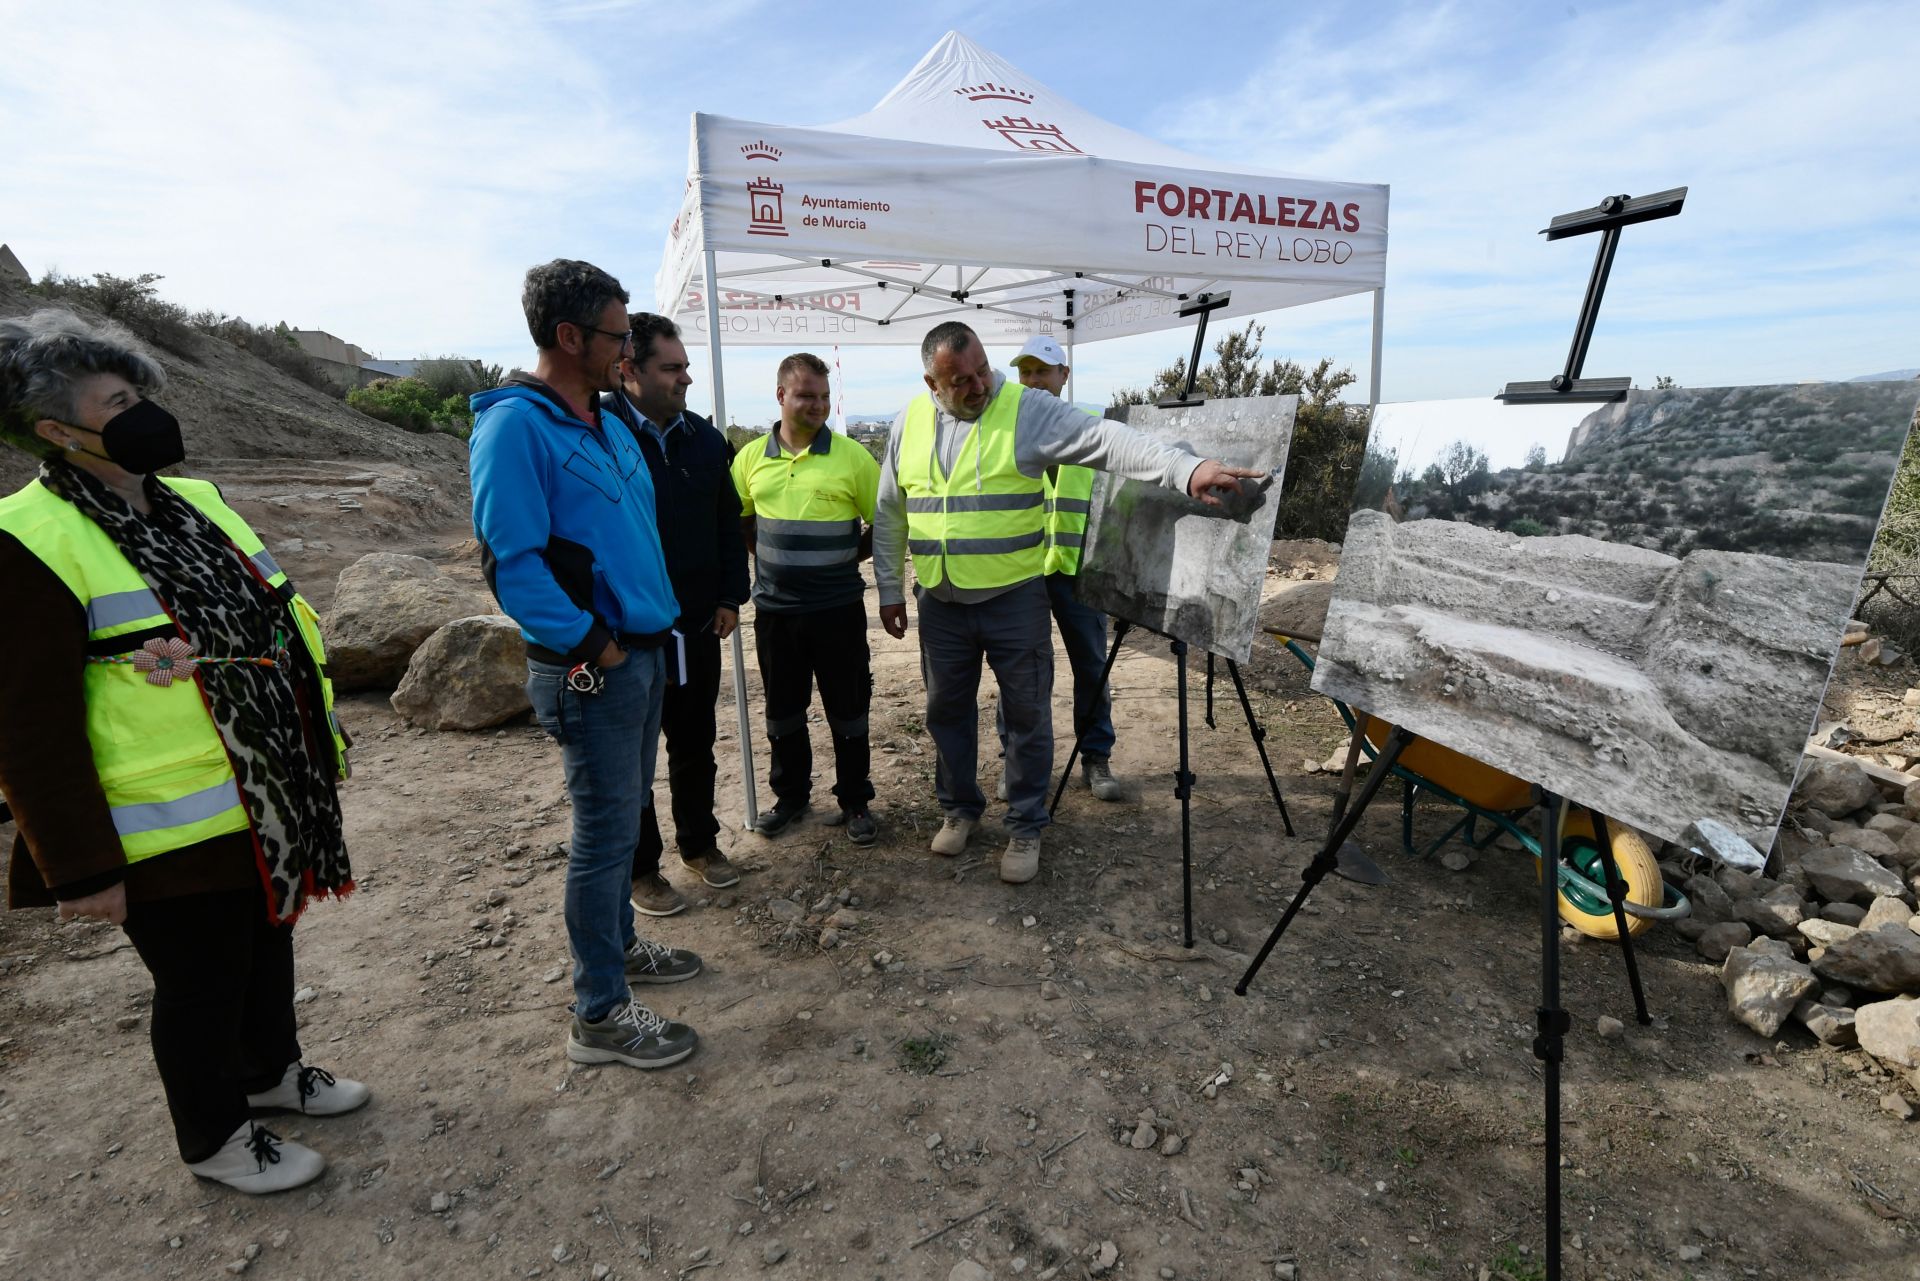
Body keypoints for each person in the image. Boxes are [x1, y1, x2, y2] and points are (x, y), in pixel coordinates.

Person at [0, 309, 366, 1194]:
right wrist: (79, 867)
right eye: (119, 401)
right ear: (56, 429)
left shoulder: (191, 500)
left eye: (142, 395)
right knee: (200, 980)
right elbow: (25, 722)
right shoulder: (27, 538)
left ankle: (269, 1072)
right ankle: (214, 1138)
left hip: (261, 792)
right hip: (157, 817)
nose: (144, 414)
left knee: (265, 943)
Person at [874, 322, 1260, 884]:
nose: (979, 384)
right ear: (932, 382)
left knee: (1028, 716)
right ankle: (959, 810)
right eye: (961, 380)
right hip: (940, 602)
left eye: (983, 369)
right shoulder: (907, 421)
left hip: (1014, 599)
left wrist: (1187, 469)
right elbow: (889, 511)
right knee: (945, 714)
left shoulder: (1024, 408)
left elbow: (1107, 440)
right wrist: (889, 588)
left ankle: (1026, 827)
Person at [469, 260, 702, 1071]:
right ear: (570, 337)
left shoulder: (606, 418)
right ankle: (598, 1011)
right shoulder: (515, 427)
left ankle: (623, 950)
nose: (629, 348)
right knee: (604, 838)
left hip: (638, 655)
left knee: (622, 818)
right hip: (593, 668)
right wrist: (591, 642)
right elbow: (513, 565)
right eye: (619, 335)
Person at [602, 313, 750, 918]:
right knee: (632, 762)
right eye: (673, 367)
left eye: (686, 366)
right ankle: (642, 870)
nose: (686, 378)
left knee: (694, 744)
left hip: (694, 628)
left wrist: (727, 597)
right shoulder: (599, 433)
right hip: (627, 637)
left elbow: (726, 523)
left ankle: (700, 845)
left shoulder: (706, 440)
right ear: (628, 371)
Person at [730, 352, 881, 844]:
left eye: (822, 397)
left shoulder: (854, 458)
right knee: (783, 710)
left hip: (837, 611)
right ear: (781, 396)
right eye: (805, 396)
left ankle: (856, 800)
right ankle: (790, 797)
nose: (817, 405)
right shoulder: (750, 457)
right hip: (776, 612)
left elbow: (885, 524)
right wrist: (770, 558)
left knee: (849, 708)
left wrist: (844, 559)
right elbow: (741, 520)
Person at [994, 335, 1125, 803]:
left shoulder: (1090, 429)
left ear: (1063, 377)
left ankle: (1096, 758)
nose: (1032, 381)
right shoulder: (1001, 434)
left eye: (1041, 372)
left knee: (1091, 666)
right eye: (1025, 372)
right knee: (1020, 674)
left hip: (1077, 575)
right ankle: (1016, 761)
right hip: (1020, 574)